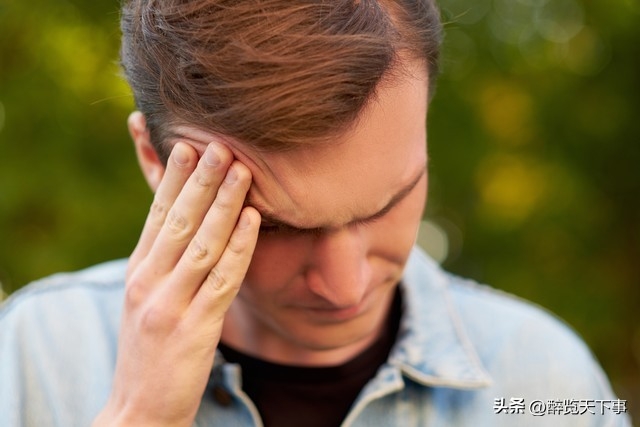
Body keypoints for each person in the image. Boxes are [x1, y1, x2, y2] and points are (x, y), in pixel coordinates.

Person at [0, 0, 631, 426]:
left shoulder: (544, 382)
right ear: (154, 160)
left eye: (389, 202)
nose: (345, 285)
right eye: (275, 227)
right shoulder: (35, 359)